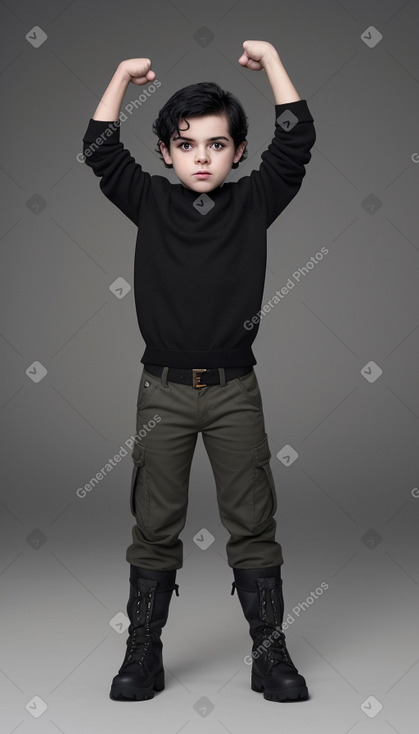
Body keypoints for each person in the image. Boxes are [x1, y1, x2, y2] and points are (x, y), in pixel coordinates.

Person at [82, 39, 316, 703]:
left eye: (217, 144)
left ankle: (269, 657)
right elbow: (99, 149)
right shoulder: (150, 201)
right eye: (187, 145)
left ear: (237, 151)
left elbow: (297, 140)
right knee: (154, 525)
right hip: (161, 392)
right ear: (166, 153)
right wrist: (123, 76)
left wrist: (272, 61)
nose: (202, 157)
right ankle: (143, 656)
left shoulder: (253, 203)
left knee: (253, 521)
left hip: (235, 392)